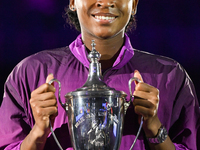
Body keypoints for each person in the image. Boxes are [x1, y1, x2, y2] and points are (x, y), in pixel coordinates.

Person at [0, 0, 199, 150]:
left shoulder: (170, 75)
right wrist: (38, 133)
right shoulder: (30, 73)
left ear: (134, 4)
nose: (105, 2)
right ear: (72, 2)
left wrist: (154, 128)